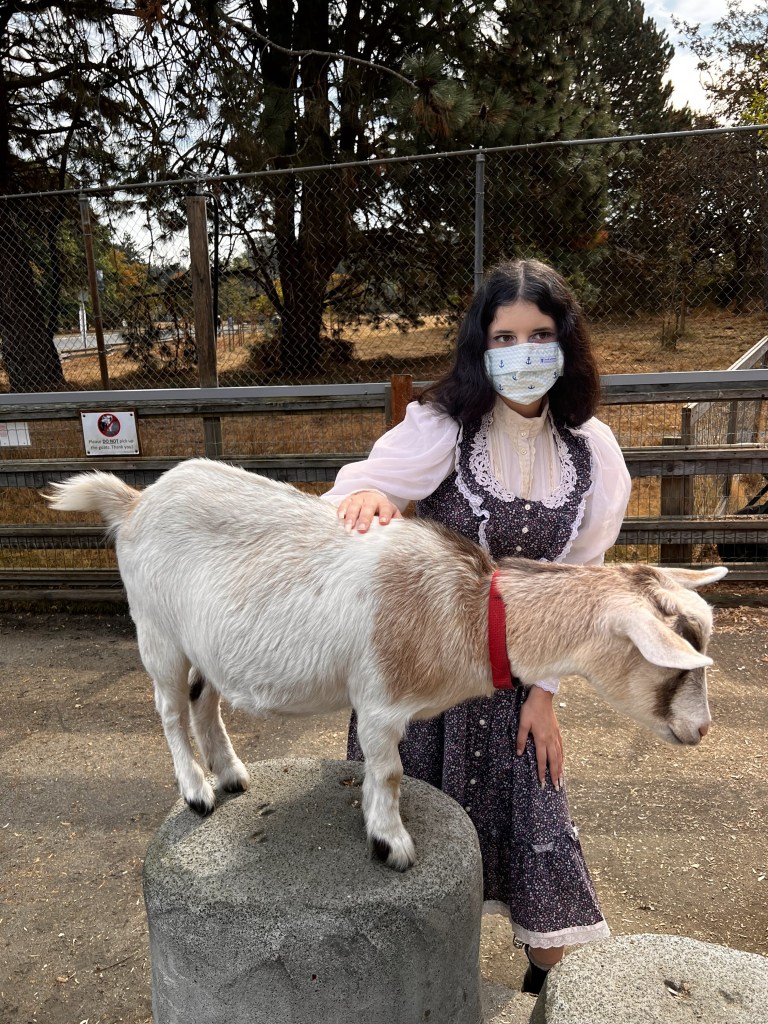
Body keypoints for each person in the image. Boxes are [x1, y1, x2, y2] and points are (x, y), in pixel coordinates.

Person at [323, 258, 632, 995]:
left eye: (539, 334)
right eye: (504, 337)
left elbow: (579, 585)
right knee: (410, 869)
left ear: (565, 343)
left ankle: (540, 996)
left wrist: (547, 694)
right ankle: (414, 999)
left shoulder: (594, 453)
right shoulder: (441, 429)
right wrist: (369, 497)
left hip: (517, 685)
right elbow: (360, 487)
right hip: (426, 681)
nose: (522, 353)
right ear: (481, 346)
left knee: (544, 887)